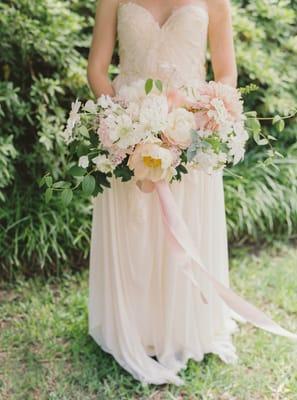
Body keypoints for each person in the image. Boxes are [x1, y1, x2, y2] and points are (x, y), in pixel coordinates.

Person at [87, 0, 297, 385]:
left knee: (183, 226)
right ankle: (136, 326)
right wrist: (123, 123)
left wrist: (200, 112)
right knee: (137, 228)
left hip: (191, 132)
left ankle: (182, 328)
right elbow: (97, 69)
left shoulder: (216, 2)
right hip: (127, 131)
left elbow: (227, 72)